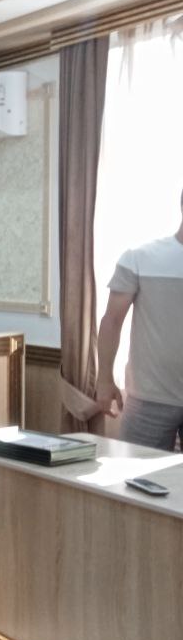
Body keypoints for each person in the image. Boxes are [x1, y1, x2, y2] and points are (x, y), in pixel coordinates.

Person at [94, 189, 183, 451]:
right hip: (148, 399)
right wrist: (104, 378)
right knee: (137, 474)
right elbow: (112, 321)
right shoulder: (140, 258)